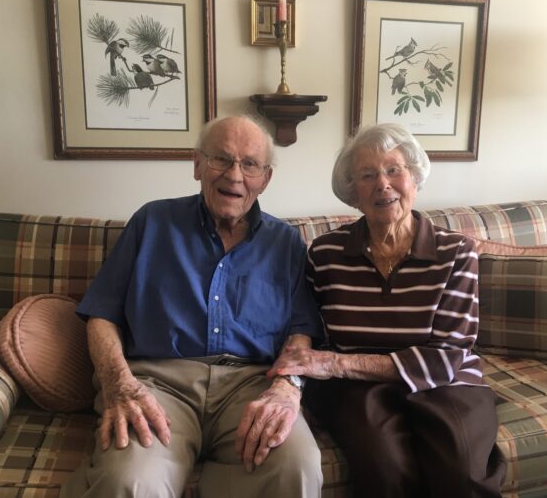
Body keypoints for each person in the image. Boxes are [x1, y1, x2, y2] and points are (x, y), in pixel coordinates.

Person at [60, 116, 324, 498]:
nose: (234, 175)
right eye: (221, 159)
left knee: (297, 466)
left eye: (249, 164)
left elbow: (301, 329)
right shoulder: (152, 221)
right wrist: (120, 384)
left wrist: (287, 388)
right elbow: (102, 314)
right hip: (157, 383)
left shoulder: (286, 243)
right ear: (197, 165)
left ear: (265, 178)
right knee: (129, 481)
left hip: (251, 386)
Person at [270, 123, 506, 497]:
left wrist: (336, 364)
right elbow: (305, 325)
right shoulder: (326, 253)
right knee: (383, 467)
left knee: (461, 471)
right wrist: (297, 373)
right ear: (353, 193)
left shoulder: (456, 252)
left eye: (394, 169)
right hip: (355, 390)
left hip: (443, 382)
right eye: (368, 175)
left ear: (414, 178)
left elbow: (448, 356)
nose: (383, 183)